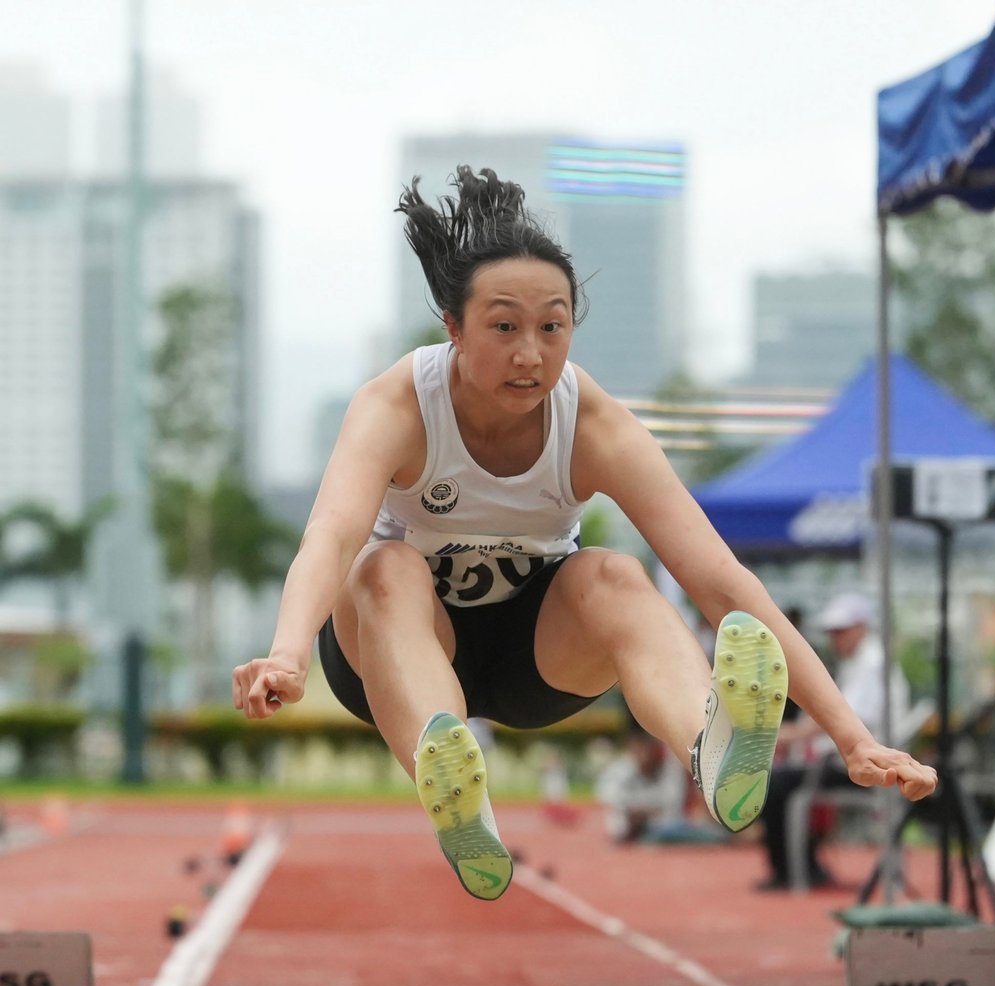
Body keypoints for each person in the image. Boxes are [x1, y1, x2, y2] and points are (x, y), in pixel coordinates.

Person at [231, 166, 937, 903]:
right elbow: (332, 534)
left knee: (614, 575)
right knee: (383, 567)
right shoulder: (398, 405)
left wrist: (854, 738)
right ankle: (455, 789)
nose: (531, 354)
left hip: (535, 661)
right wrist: (286, 652)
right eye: (503, 327)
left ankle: (714, 747)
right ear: (454, 328)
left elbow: (721, 580)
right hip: (393, 651)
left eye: (552, 327)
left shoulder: (592, 424)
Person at [755, 591, 912, 891]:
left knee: (777, 784)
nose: (835, 639)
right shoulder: (857, 664)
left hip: (864, 766)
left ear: (862, 627)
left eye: (841, 631)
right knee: (786, 781)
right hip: (847, 762)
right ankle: (803, 865)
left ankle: (792, 870)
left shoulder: (873, 664)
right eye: (832, 633)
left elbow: (838, 719)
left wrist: (784, 735)